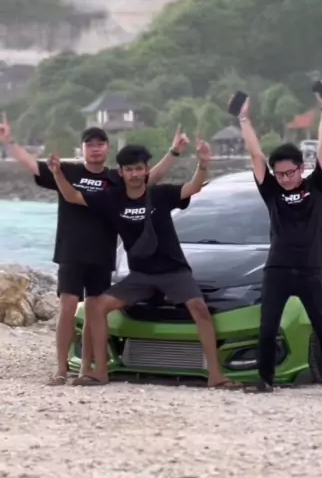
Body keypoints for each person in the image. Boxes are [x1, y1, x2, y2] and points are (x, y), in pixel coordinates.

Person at [0, 115, 189, 386]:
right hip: (71, 251)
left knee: (93, 311)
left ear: (107, 148)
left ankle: (86, 367)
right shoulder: (68, 172)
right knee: (67, 307)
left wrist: (174, 152)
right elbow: (34, 165)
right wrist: (10, 142)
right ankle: (61, 368)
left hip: (102, 254)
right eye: (90, 144)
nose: (96, 148)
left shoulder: (116, 178)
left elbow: (150, 178)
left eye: (100, 144)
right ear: (83, 149)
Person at [47, 140, 241, 390]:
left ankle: (215, 375)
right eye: (129, 169)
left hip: (173, 271)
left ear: (146, 170)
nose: (135, 174)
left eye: (139, 168)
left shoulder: (159, 194)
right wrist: (57, 173)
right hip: (140, 275)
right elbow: (73, 196)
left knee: (199, 308)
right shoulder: (112, 198)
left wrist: (202, 165)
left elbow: (192, 188)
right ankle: (100, 372)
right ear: (121, 172)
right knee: (97, 306)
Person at [237, 91, 322, 397]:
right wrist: (244, 118)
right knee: (268, 327)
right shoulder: (272, 191)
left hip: (310, 269)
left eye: (290, 172)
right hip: (277, 268)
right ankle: (265, 381)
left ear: (302, 169)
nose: (285, 178)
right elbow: (256, 156)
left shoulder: (317, 186)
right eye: (279, 174)